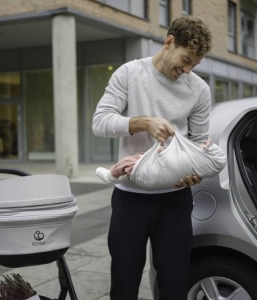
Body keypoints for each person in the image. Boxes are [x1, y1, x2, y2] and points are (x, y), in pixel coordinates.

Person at [92, 15, 213, 299]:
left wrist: (196, 172)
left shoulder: (199, 90)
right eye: (185, 60)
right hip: (129, 198)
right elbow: (99, 122)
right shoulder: (129, 74)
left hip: (175, 200)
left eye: (194, 65)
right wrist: (142, 122)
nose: (187, 70)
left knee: (174, 284)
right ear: (169, 42)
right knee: (123, 283)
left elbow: (199, 144)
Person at [96, 139, 213, 184]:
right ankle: (116, 174)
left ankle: (111, 175)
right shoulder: (192, 157)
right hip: (151, 164)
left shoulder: (189, 161)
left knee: (126, 162)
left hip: (148, 169)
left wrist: (161, 151)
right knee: (135, 157)